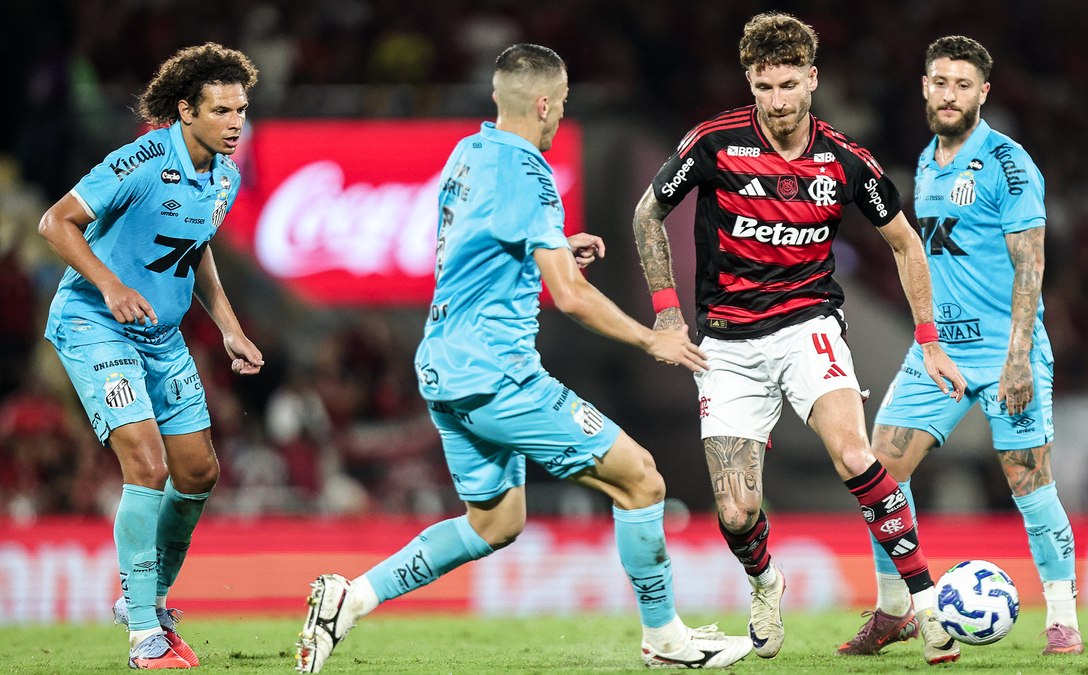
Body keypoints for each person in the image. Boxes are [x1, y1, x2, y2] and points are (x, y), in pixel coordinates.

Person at [294, 43, 753, 673]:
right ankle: (666, 640)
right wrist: (654, 340)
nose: (562, 115)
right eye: (561, 104)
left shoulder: (469, 154)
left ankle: (350, 598)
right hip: (498, 376)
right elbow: (567, 296)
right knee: (641, 479)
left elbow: (480, 246)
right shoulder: (532, 173)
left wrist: (557, 245)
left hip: (443, 371)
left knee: (494, 522)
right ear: (542, 103)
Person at [630, 12, 967, 666]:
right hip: (727, 344)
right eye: (764, 87)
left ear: (813, 79)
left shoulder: (844, 159)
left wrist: (928, 338)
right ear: (749, 82)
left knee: (853, 452)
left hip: (808, 325)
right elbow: (648, 213)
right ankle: (765, 582)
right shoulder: (714, 143)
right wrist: (668, 312)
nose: (778, 102)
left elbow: (905, 241)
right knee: (735, 509)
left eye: (789, 85)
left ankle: (925, 604)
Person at [836, 35, 1084, 657]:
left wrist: (1020, 356)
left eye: (963, 85)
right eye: (940, 82)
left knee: (1029, 483)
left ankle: (1061, 618)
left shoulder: (1008, 163)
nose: (950, 94)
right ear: (925, 86)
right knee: (879, 471)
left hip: (1007, 352)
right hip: (939, 353)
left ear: (983, 93)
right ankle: (897, 610)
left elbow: (1031, 266)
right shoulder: (926, 160)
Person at [38, 43, 262, 668]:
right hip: (96, 323)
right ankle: (144, 638)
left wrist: (229, 328)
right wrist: (110, 285)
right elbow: (56, 223)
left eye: (241, 109)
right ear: (185, 111)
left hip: (161, 335)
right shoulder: (139, 159)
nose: (235, 122)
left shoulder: (225, 174)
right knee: (147, 464)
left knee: (198, 474)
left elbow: (197, 250)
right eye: (221, 111)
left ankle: (149, 600)